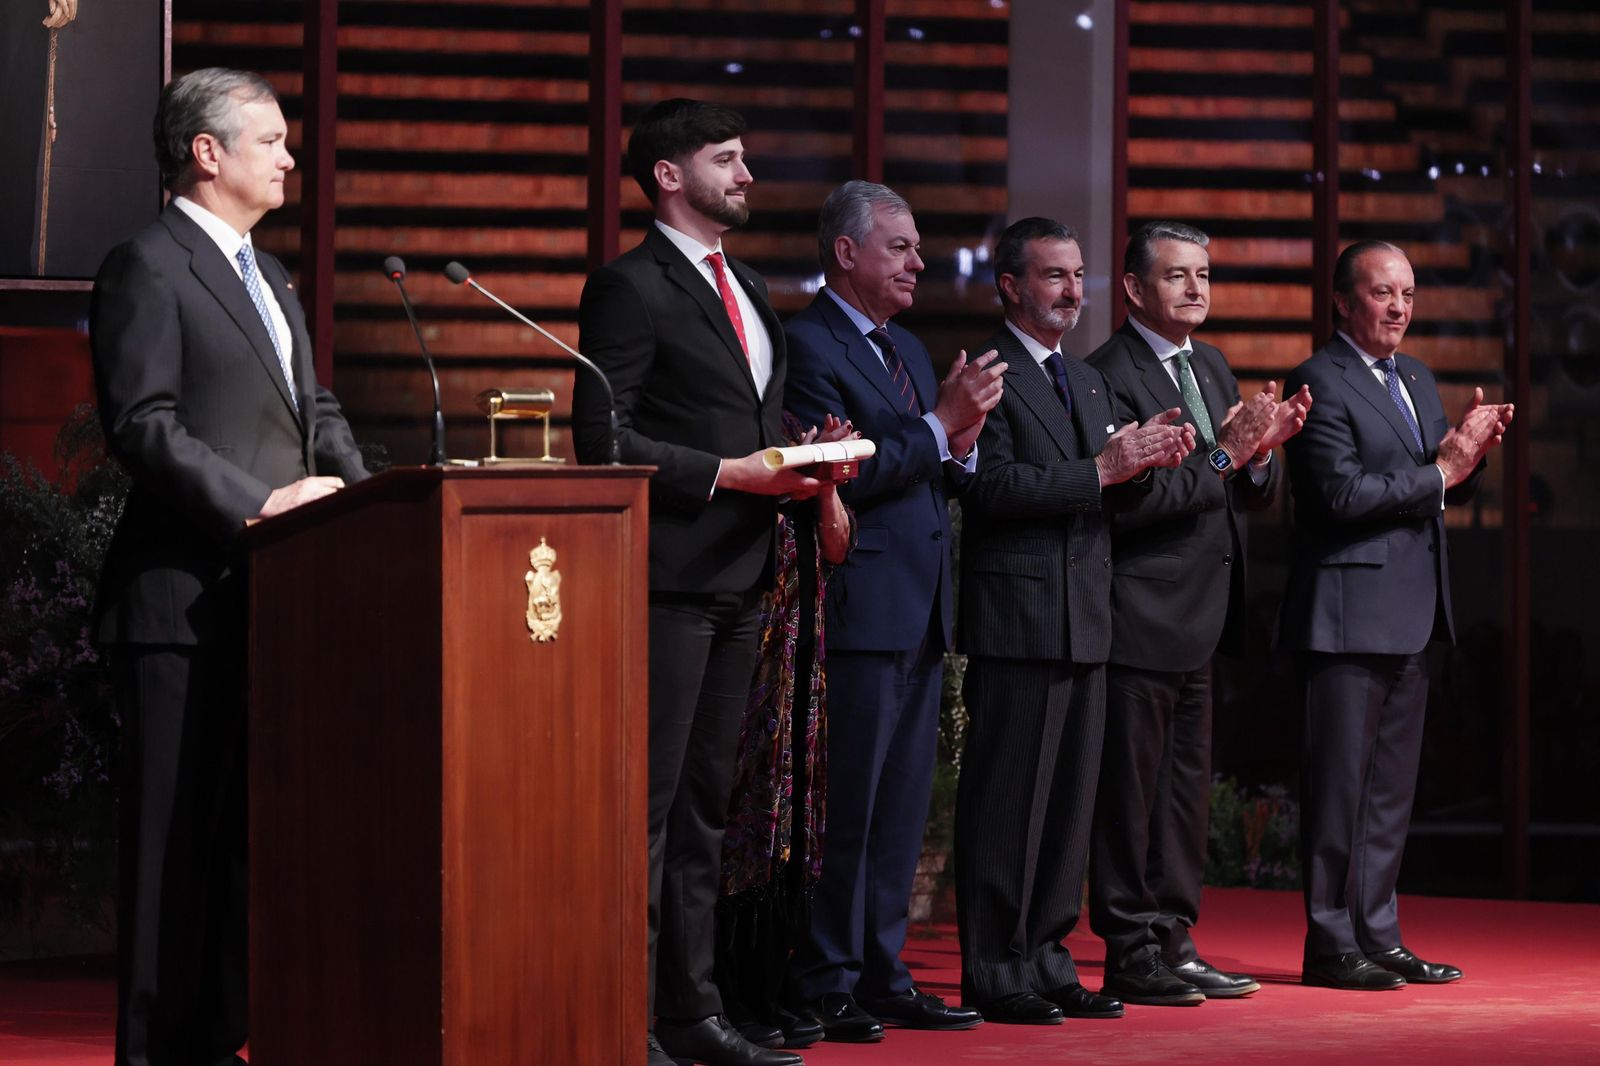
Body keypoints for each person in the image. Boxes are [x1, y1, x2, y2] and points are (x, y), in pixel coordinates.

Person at [90, 67, 370, 1066]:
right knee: (173, 854)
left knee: (248, 850)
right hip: (180, 606)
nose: (291, 157)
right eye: (272, 140)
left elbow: (316, 412)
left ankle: (220, 1042)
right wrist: (256, 504)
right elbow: (143, 425)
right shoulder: (147, 264)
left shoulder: (271, 273)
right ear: (206, 153)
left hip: (277, 606)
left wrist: (372, 502)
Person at [571, 97, 812, 1066]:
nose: (746, 174)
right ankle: (621, 1015)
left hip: (747, 567)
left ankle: (692, 1011)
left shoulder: (747, 284)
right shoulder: (628, 287)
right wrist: (726, 474)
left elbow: (762, 420)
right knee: (651, 803)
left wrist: (809, 469)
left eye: (745, 156)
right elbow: (604, 437)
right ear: (669, 175)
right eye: (726, 158)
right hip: (668, 574)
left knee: (710, 802)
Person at [954, 216, 1192, 1025]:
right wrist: (1101, 468)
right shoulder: (986, 372)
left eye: (1078, 274)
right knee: (1007, 803)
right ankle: (995, 966)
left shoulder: (1086, 381)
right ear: (1012, 286)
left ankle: (1049, 957)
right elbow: (989, 489)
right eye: (1053, 275)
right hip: (1017, 616)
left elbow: (1108, 488)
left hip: (1090, 615)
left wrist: (1152, 457)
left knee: (1065, 807)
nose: (1071, 290)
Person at [783, 180, 1002, 1042]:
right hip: (859, 602)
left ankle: (883, 970)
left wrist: (965, 438)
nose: (918, 261)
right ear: (846, 253)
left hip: (921, 606)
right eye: (900, 247)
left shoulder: (905, 344)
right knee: (849, 805)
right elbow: (842, 468)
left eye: (916, 249)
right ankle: (826, 975)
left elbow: (926, 464)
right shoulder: (806, 344)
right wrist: (942, 426)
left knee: (903, 808)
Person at [1086, 221, 1310, 1006]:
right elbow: (1135, 500)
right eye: (1177, 275)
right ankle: (1129, 947)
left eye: (1204, 274)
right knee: (1131, 795)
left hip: (1204, 616)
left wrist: (1264, 452)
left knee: (1183, 794)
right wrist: (1231, 455)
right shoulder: (1107, 375)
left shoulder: (1208, 363)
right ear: (1135, 289)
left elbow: (1244, 483)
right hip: (1140, 614)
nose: (1196, 287)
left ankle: (1175, 938)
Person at [1279, 240, 1512, 991]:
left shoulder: (1414, 374)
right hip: (1346, 614)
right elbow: (1339, 497)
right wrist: (1440, 470)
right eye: (1383, 293)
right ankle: (1329, 943)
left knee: (1388, 796)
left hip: (1411, 610)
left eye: (1407, 293)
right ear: (1344, 302)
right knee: (1339, 789)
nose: (1399, 307)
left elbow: (1429, 487)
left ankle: (1379, 934)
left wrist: (1465, 461)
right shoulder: (1319, 377)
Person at [714, 414, 855, 1053]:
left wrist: (825, 484)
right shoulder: (732, 434)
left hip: (801, 656)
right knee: (738, 812)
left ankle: (770, 988)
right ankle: (718, 996)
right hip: (743, 649)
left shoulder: (798, 431)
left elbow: (837, 547)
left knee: (793, 816)